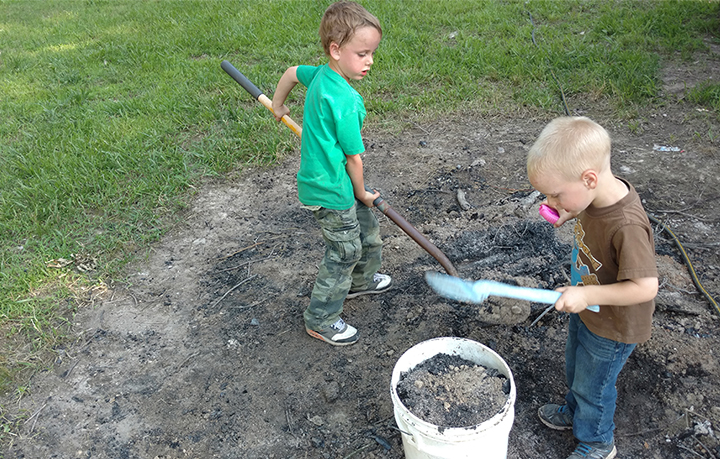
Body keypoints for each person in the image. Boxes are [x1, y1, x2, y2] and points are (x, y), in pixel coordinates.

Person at [526, 117, 659, 459]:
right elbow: (582, 208)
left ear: (589, 179)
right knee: (575, 365)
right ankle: (574, 411)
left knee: (595, 385)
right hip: (587, 308)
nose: (550, 201)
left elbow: (646, 286)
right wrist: (568, 212)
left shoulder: (627, 224)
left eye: (555, 195)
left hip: (613, 324)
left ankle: (598, 441)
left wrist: (587, 295)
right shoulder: (591, 198)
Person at [271, 1, 391, 346]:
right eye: (363, 53)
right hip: (329, 189)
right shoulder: (347, 103)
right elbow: (354, 160)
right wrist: (363, 192)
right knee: (344, 251)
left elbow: (293, 72)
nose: (370, 61)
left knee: (366, 227)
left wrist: (279, 105)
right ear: (336, 50)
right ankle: (321, 318)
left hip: (331, 180)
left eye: (372, 53)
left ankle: (361, 281)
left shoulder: (322, 75)